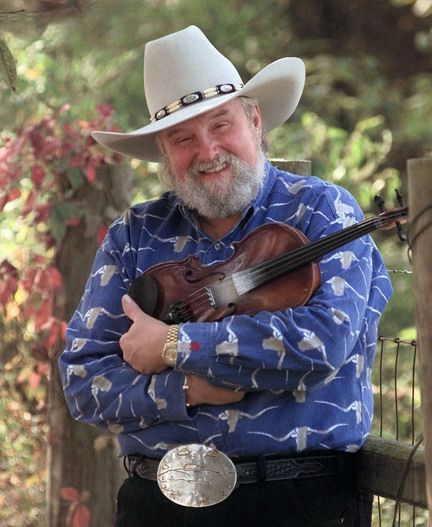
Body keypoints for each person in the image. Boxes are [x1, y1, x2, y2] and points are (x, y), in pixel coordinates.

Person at [59, 25, 392, 527]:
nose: (209, 151)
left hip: (300, 501)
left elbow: (324, 342)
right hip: (159, 503)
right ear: (164, 156)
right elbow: (83, 381)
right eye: (183, 138)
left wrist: (176, 345)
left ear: (255, 121)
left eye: (221, 125)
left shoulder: (322, 211)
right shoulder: (134, 234)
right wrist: (186, 391)